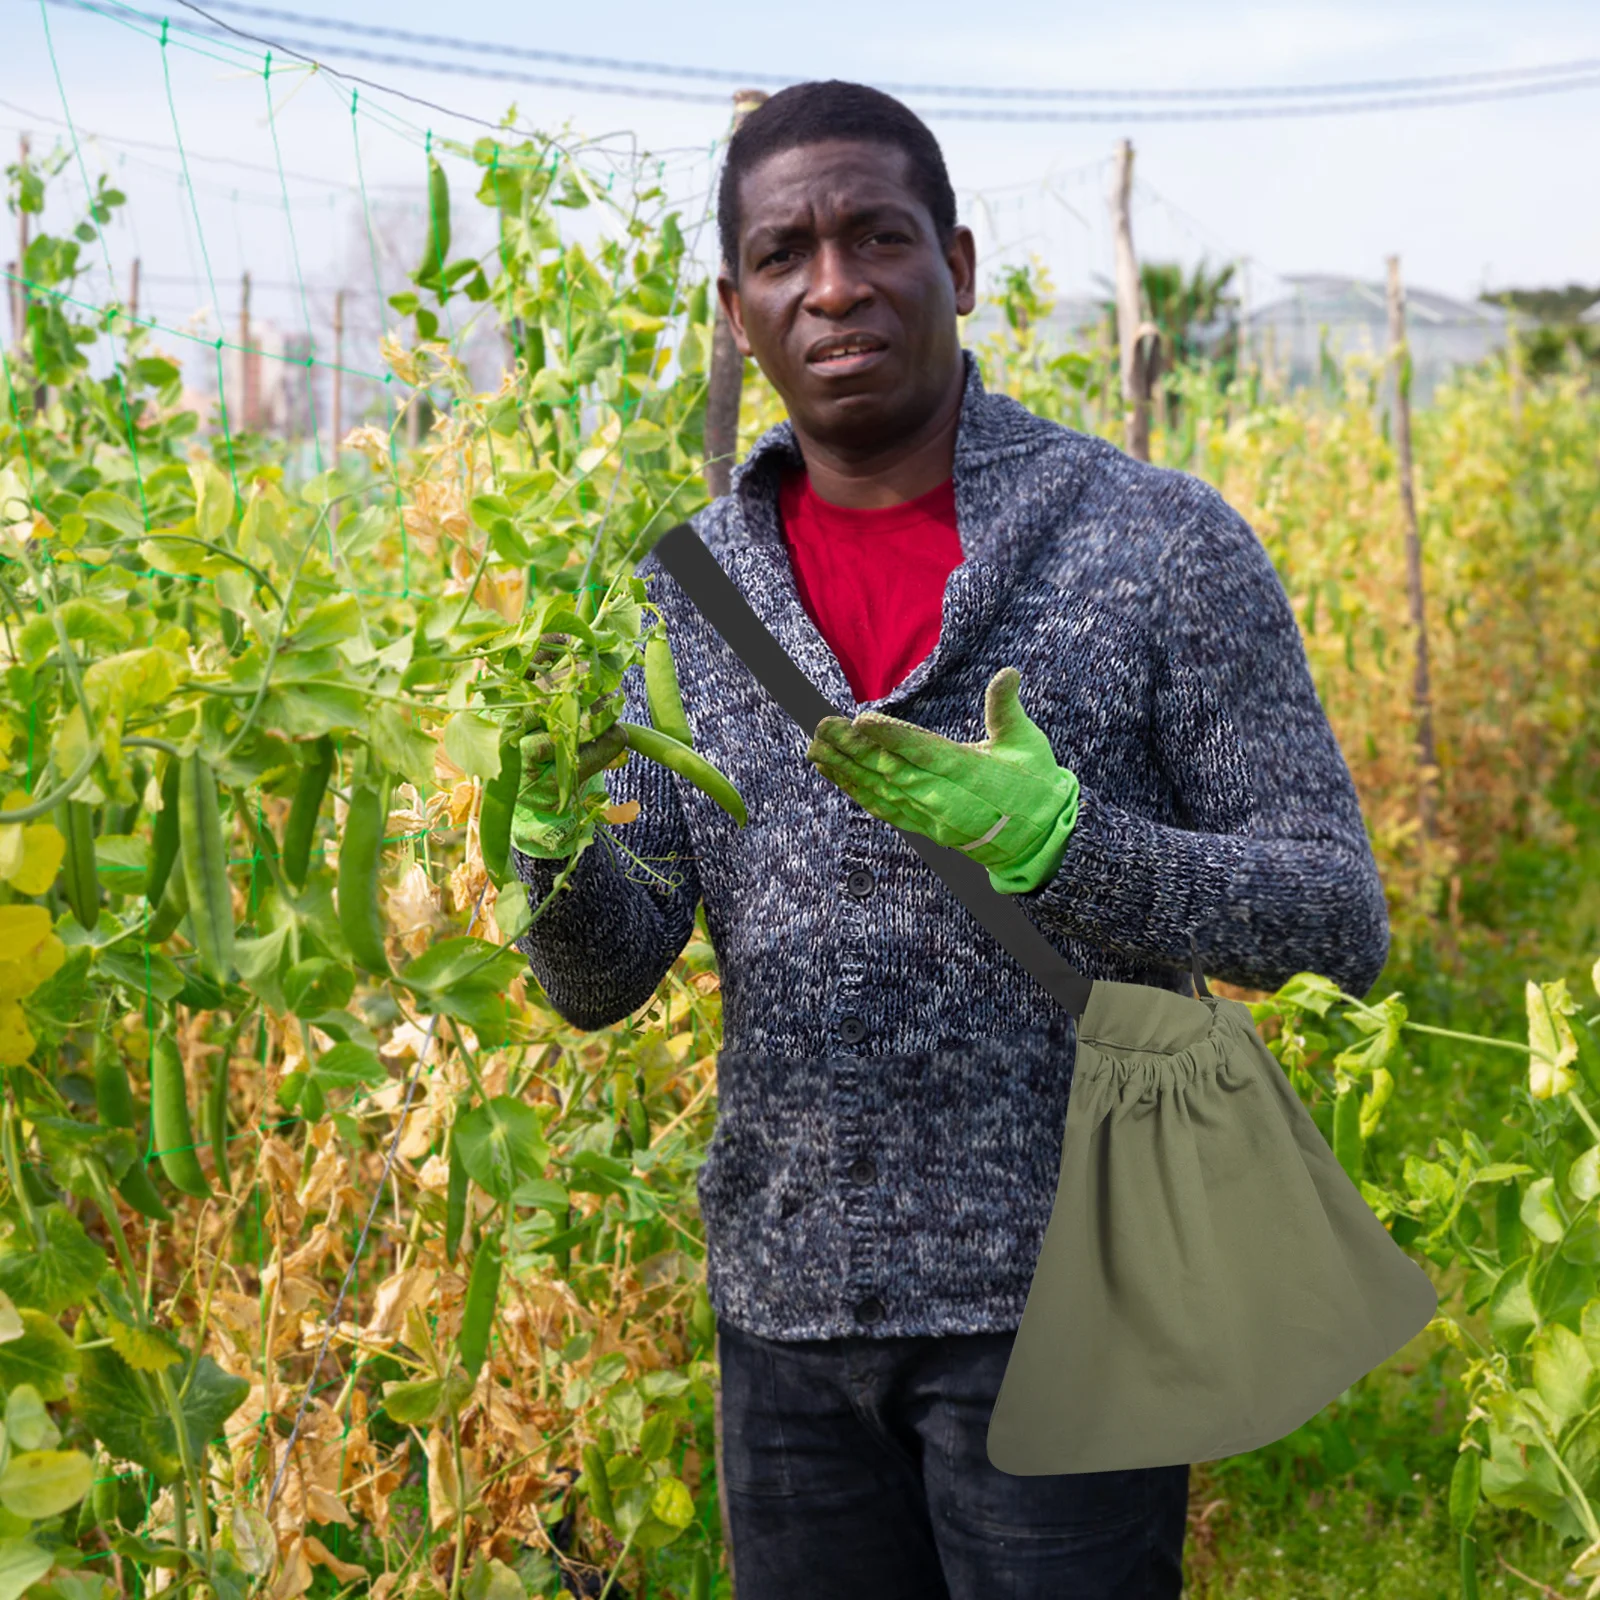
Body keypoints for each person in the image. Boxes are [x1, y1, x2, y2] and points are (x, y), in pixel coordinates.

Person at [511, 78, 1390, 1600]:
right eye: (784, 254)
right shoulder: (675, 599)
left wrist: (1071, 846)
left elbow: (1333, 922)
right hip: (787, 1314)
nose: (834, 285)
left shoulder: (1156, 544)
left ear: (960, 266)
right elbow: (601, 974)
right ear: (736, 310)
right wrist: (541, 830)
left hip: (1080, 1299)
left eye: (877, 236)